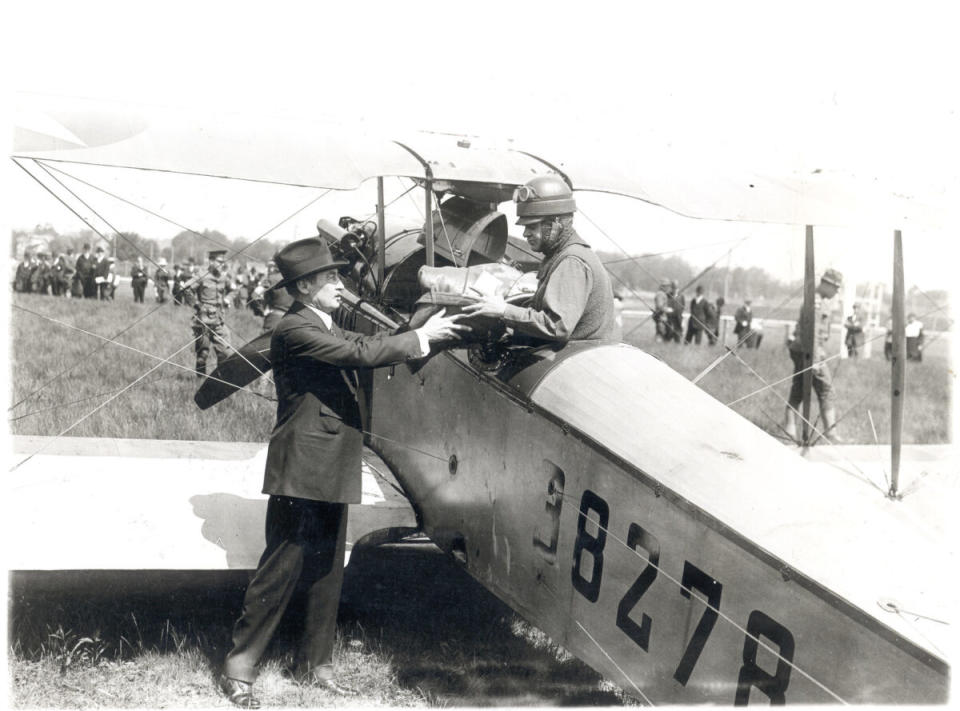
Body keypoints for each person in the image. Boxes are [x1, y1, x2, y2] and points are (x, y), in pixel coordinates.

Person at [218, 237, 464, 708]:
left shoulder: (326, 322)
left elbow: (368, 343)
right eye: (331, 277)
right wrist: (425, 337)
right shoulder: (295, 329)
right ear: (305, 285)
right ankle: (240, 667)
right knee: (281, 567)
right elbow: (360, 355)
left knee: (328, 567)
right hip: (304, 463)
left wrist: (422, 327)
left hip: (332, 459)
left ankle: (315, 664)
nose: (340, 283)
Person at [461, 174, 614, 344]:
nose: (525, 233)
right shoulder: (560, 255)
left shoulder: (571, 261)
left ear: (556, 224)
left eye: (532, 226)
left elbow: (557, 326)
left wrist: (503, 310)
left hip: (574, 362)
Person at [784, 268, 843, 443]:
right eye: (836, 287)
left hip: (801, 349)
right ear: (827, 284)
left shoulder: (814, 299)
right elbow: (813, 332)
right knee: (826, 390)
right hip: (809, 352)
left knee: (798, 390)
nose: (836, 292)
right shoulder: (816, 302)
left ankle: (789, 430)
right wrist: (815, 361)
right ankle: (831, 433)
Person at [191, 250, 233, 378]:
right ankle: (200, 381)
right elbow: (187, 290)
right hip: (203, 320)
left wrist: (228, 299)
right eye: (219, 262)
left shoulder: (224, 277)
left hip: (219, 320)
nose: (222, 264)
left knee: (226, 352)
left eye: (223, 262)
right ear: (211, 261)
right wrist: (197, 304)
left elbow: (233, 290)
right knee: (202, 353)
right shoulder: (201, 275)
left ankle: (220, 380)